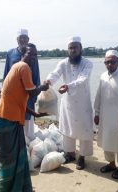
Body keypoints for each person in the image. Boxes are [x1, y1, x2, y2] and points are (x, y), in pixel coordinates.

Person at [0, 43, 49, 192]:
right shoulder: (24, 67)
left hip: (10, 119)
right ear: (23, 53)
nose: (33, 57)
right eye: (30, 54)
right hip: (5, 121)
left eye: (36, 55)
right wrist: (42, 87)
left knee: (18, 158)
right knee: (7, 163)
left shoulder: (17, 66)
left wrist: (34, 113)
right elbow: (32, 93)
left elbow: (17, 98)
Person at [45, 36, 93, 170]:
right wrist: (48, 81)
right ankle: (70, 153)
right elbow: (55, 74)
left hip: (83, 103)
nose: (73, 50)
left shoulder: (88, 63)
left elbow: (83, 79)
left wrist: (68, 86)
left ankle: (82, 157)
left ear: (80, 49)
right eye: (70, 48)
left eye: (75, 47)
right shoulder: (63, 63)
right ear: (68, 50)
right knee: (67, 129)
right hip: (68, 103)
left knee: (84, 130)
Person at [94, 50, 118, 179]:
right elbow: (98, 95)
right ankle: (111, 164)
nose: (109, 64)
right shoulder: (103, 76)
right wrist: (97, 112)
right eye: (107, 62)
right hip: (105, 116)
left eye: (112, 62)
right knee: (106, 140)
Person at [3, 29, 41, 141]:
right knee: (15, 117)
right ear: (17, 40)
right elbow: (6, 73)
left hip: (29, 91)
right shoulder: (10, 53)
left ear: (28, 39)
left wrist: (36, 93)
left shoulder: (32, 53)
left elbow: (36, 73)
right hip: (14, 92)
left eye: (25, 38)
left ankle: (29, 141)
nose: (23, 40)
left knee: (28, 117)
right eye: (21, 38)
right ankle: (18, 141)